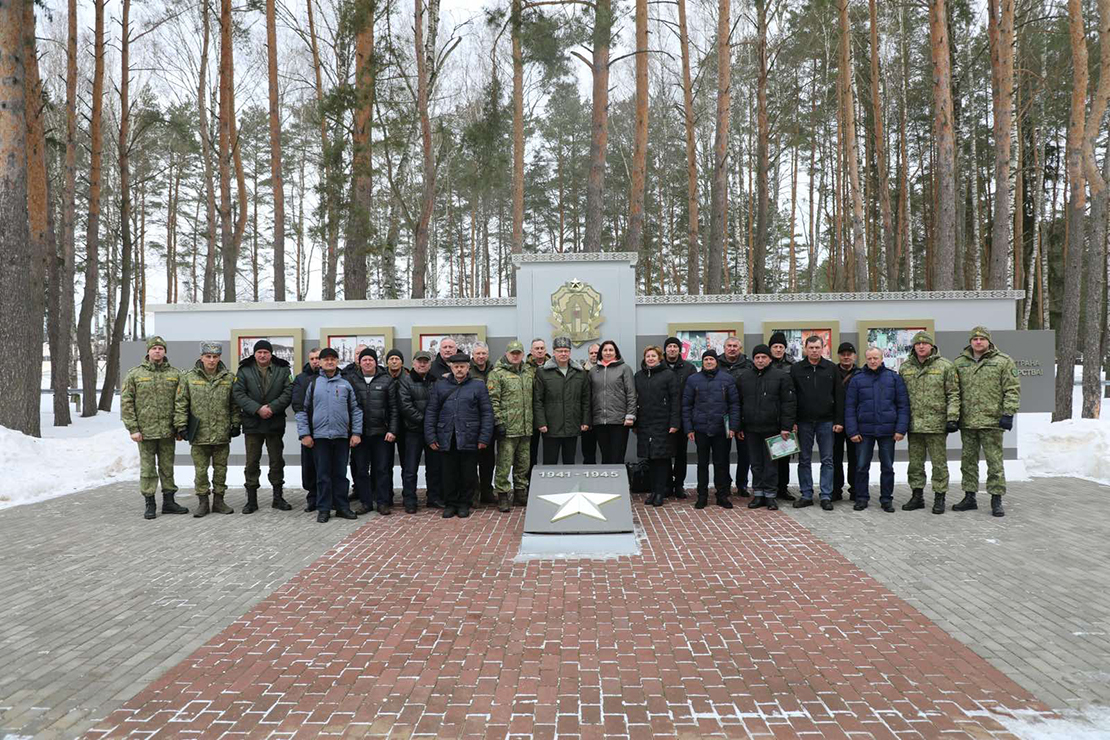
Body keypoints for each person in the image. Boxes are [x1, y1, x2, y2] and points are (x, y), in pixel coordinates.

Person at [952, 326, 1021, 517]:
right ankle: (969, 496)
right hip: (968, 422)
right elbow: (954, 392)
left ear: (988, 341)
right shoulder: (959, 363)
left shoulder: (1003, 361)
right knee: (968, 462)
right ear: (970, 342)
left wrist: (1008, 413)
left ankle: (996, 498)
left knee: (995, 462)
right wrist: (954, 416)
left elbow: (1012, 389)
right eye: (975, 339)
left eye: (982, 339)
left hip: (992, 421)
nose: (978, 342)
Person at [122, 336, 187, 519]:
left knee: (167, 467)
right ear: (148, 351)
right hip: (145, 432)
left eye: (160, 348)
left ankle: (169, 502)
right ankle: (150, 502)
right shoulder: (135, 374)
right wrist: (133, 428)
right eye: (154, 348)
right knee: (148, 469)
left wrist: (179, 427)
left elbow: (181, 402)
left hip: (167, 431)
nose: (157, 351)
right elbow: (127, 403)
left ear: (165, 351)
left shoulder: (175, 375)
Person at [174, 342, 241, 518]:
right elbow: (181, 403)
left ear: (219, 357)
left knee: (221, 469)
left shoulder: (228, 377)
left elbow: (234, 404)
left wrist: (235, 424)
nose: (211, 360)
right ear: (201, 357)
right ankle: (203, 502)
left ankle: (219, 501)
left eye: (215, 357)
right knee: (200, 471)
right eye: (208, 356)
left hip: (221, 432)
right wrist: (181, 426)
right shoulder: (189, 377)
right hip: (199, 432)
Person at [295, 347, 362, 523]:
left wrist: (356, 433)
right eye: (326, 359)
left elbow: (356, 410)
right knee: (322, 474)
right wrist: (304, 434)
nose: (330, 362)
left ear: (337, 361)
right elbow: (302, 410)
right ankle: (323, 508)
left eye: (333, 359)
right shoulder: (313, 383)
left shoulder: (346, 383)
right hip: (319, 437)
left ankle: (342, 507)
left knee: (340, 473)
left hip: (341, 436)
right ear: (321, 363)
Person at [425, 352, 494, 518]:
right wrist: (431, 436)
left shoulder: (478, 386)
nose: (459, 370)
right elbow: (431, 412)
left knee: (468, 473)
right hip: (447, 437)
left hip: (469, 436)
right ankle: (450, 503)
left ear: (468, 367)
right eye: (456, 367)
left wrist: (484, 437)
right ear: (451, 367)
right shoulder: (440, 386)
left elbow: (487, 413)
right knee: (448, 473)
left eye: (462, 366)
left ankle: (464, 503)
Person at [899, 332, 960, 514]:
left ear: (931, 346)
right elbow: (900, 397)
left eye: (925, 343)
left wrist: (952, 418)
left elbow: (953, 394)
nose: (921, 346)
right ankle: (917, 496)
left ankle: (939, 497)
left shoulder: (945, 366)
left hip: (937, 424)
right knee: (915, 463)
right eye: (918, 344)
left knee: (939, 463)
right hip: (914, 424)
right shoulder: (906, 367)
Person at [232, 340, 294, 514]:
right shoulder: (244, 370)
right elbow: (238, 393)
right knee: (252, 462)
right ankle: (251, 500)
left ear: (271, 354)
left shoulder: (283, 370)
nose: (262, 355)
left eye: (266, 352)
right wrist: (257, 409)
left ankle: (278, 497)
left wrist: (272, 408)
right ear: (254, 354)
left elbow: (288, 392)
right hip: (253, 423)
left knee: (277, 461)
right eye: (259, 352)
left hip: (274, 422)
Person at [845, 347, 910, 512]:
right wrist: (852, 431)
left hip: (888, 431)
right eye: (869, 358)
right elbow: (850, 407)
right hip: (864, 430)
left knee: (887, 466)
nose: (873, 361)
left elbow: (903, 405)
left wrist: (900, 429)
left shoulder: (894, 378)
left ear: (882, 359)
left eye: (876, 358)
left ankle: (886, 499)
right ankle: (861, 498)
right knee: (861, 466)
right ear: (865, 359)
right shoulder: (857, 380)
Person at [738, 345, 796, 511]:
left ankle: (771, 495)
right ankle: (758, 494)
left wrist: (786, 426)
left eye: (764, 357)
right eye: (757, 357)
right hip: (751, 428)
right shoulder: (744, 377)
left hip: (773, 428)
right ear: (753, 359)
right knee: (756, 463)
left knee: (771, 464)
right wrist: (740, 425)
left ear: (770, 359)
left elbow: (789, 403)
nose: (760, 360)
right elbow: (739, 404)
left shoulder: (781, 376)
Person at [682, 349, 741, 509]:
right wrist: (689, 429)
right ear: (702, 362)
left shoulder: (727, 379)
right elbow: (686, 405)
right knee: (702, 464)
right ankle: (702, 496)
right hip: (700, 429)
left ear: (716, 362)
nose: (709, 362)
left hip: (722, 430)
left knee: (721, 463)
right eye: (706, 359)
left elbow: (734, 405)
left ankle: (722, 495)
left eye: (711, 359)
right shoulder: (693, 380)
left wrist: (733, 426)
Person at [344, 348, 400, 515]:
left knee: (381, 469)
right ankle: (366, 502)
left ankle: (382, 502)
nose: (367, 363)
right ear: (359, 363)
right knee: (361, 470)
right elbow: (347, 407)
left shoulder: (386, 380)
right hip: (359, 434)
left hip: (382, 434)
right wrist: (352, 432)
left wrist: (392, 430)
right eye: (364, 360)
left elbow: (394, 408)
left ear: (376, 362)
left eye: (370, 359)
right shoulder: (351, 380)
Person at [789, 335, 842, 511]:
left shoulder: (831, 368)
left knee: (827, 459)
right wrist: (793, 421)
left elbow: (839, 397)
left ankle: (826, 495)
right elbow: (791, 398)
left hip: (826, 422)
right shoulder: (796, 369)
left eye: (817, 347)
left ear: (823, 348)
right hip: (803, 422)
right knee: (804, 459)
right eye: (811, 348)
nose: (814, 351)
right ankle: (806, 494)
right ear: (805, 348)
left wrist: (838, 420)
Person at [487, 341, 535, 511]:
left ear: (523, 354)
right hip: (507, 428)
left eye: (518, 353)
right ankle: (502, 494)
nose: (515, 356)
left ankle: (520, 493)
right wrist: (498, 421)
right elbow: (493, 400)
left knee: (524, 463)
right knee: (504, 463)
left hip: (525, 427)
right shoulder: (497, 374)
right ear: (506, 354)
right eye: (512, 353)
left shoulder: (528, 372)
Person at [533, 336, 591, 466]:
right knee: (549, 463)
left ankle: (568, 487)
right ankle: (549, 487)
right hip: (550, 427)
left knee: (569, 463)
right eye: (560, 351)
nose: (563, 354)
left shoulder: (580, 373)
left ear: (570, 352)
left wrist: (585, 421)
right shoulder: (543, 372)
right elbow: (538, 400)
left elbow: (586, 399)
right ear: (554, 352)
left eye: (566, 351)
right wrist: (541, 422)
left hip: (572, 425)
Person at [635, 346, 681, 507]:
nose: (650, 358)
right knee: (650, 458)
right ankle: (653, 491)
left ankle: (661, 492)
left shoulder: (668, 375)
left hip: (663, 423)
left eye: (653, 356)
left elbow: (676, 400)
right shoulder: (639, 376)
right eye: (648, 356)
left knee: (661, 459)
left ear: (660, 358)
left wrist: (675, 422)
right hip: (645, 423)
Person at [397, 350, 439, 513]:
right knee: (410, 468)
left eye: (426, 362)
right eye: (419, 361)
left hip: (432, 432)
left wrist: (431, 425)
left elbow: (439, 404)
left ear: (430, 364)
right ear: (413, 363)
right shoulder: (405, 381)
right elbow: (406, 406)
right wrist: (426, 421)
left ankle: (433, 497)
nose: (422, 364)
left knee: (434, 467)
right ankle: (410, 500)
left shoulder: (435, 381)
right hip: (412, 431)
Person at [590, 340, 637, 464]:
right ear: (601, 353)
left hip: (619, 420)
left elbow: (631, 393)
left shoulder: (624, 368)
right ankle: (606, 483)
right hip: (600, 420)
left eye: (611, 350)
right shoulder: (593, 371)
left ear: (616, 352)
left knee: (617, 456)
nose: (608, 352)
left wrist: (630, 415)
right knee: (605, 456)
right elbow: (589, 395)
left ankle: (619, 483)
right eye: (605, 350)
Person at [718, 336, 752, 497]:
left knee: (744, 453)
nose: (732, 349)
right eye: (729, 346)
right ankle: (725, 483)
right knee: (722, 453)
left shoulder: (749, 366)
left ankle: (742, 484)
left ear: (740, 348)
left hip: (743, 414)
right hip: (722, 416)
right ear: (724, 348)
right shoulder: (716, 365)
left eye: (735, 346)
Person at [663, 337, 696, 498]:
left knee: (681, 453)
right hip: (663, 417)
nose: (672, 349)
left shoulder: (689, 368)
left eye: (675, 347)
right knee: (665, 453)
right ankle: (667, 484)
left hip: (683, 417)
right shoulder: (659, 366)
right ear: (665, 349)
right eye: (669, 346)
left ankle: (679, 485)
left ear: (679, 349)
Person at [767, 331, 796, 501]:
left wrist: (792, 421)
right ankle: (770, 487)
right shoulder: (763, 365)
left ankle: (782, 489)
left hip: (785, 417)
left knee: (784, 455)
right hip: (768, 417)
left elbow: (795, 395)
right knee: (768, 457)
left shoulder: (792, 366)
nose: (778, 349)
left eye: (781, 347)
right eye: (775, 347)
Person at [291, 348, 321, 512]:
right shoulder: (301, 379)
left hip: (327, 430)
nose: (315, 361)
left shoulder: (335, 377)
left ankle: (328, 497)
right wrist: (304, 432)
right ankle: (312, 498)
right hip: (309, 429)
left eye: (318, 358)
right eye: (312, 358)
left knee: (327, 467)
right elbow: (298, 405)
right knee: (309, 466)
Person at [469, 342, 497, 506]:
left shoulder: (494, 371)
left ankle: (487, 490)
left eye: (483, 353)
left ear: (487, 354)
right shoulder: (467, 371)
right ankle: (474, 492)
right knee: (471, 461)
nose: (481, 356)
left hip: (489, 422)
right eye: (478, 353)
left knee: (488, 461)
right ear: (473, 355)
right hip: (471, 422)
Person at [832, 342, 860, 502]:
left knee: (854, 458)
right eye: (843, 353)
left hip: (855, 423)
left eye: (849, 353)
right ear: (838, 356)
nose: (846, 356)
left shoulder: (861, 373)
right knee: (835, 458)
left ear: (854, 356)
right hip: (835, 423)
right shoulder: (832, 372)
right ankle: (836, 489)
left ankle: (855, 490)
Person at [526, 338, 550, 470]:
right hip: (530, 414)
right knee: (530, 450)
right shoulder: (524, 368)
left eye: (542, 348)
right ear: (531, 351)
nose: (540, 351)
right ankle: (530, 481)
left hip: (549, 413)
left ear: (546, 350)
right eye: (537, 348)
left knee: (550, 450)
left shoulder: (553, 366)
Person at [580, 343, 601, 464]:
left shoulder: (608, 369)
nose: (594, 355)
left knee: (607, 452)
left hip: (603, 417)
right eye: (591, 353)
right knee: (588, 453)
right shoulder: (581, 371)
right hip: (587, 417)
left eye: (596, 353)